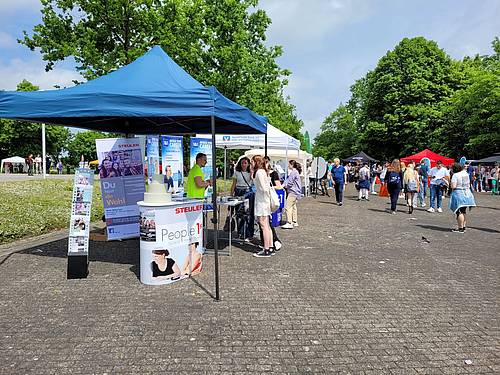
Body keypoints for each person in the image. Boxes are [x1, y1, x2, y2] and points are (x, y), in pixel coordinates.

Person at [251, 155, 274, 257]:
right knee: (267, 226)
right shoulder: (263, 171)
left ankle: (266, 249)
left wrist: (260, 189)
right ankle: (270, 246)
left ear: (256, 162)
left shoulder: (259, 172)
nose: (251, 163)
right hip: (264, 201)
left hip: (262, 201)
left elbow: (264, 188)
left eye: (252, 162)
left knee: (263, 225)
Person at [230, 157, 254, 241]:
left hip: (247, 191)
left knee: (247, 213)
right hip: (238, 191)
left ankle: (248, 233)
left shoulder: (250, 172)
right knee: (239, 213)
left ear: (248, 164)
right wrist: (231, 195)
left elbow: (254, 182)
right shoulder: (237, 172)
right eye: (242, 163)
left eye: (245, 163)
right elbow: (233, 184)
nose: (244, 164)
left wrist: (252, 173)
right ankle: (240, 233)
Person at [449, 162, 476, 233]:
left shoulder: (455, 175)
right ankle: (463, 226)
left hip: (459, 194)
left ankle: (460, 228)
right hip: (467, 193)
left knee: (459, 212)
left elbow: (453, 186)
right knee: (464, 211)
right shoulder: (465, 173)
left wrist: (450, 184)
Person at [282, 160, 302, 229]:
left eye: (289, 164)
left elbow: (289, 182)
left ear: (291, 165)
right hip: (296, 192)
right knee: (293, 206)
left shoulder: (293, 172)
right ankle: (294, 221)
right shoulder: (296, 172)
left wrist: (285, 186)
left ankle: (289, 222)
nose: (288, 165)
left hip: (293, 192)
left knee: (288, 207)